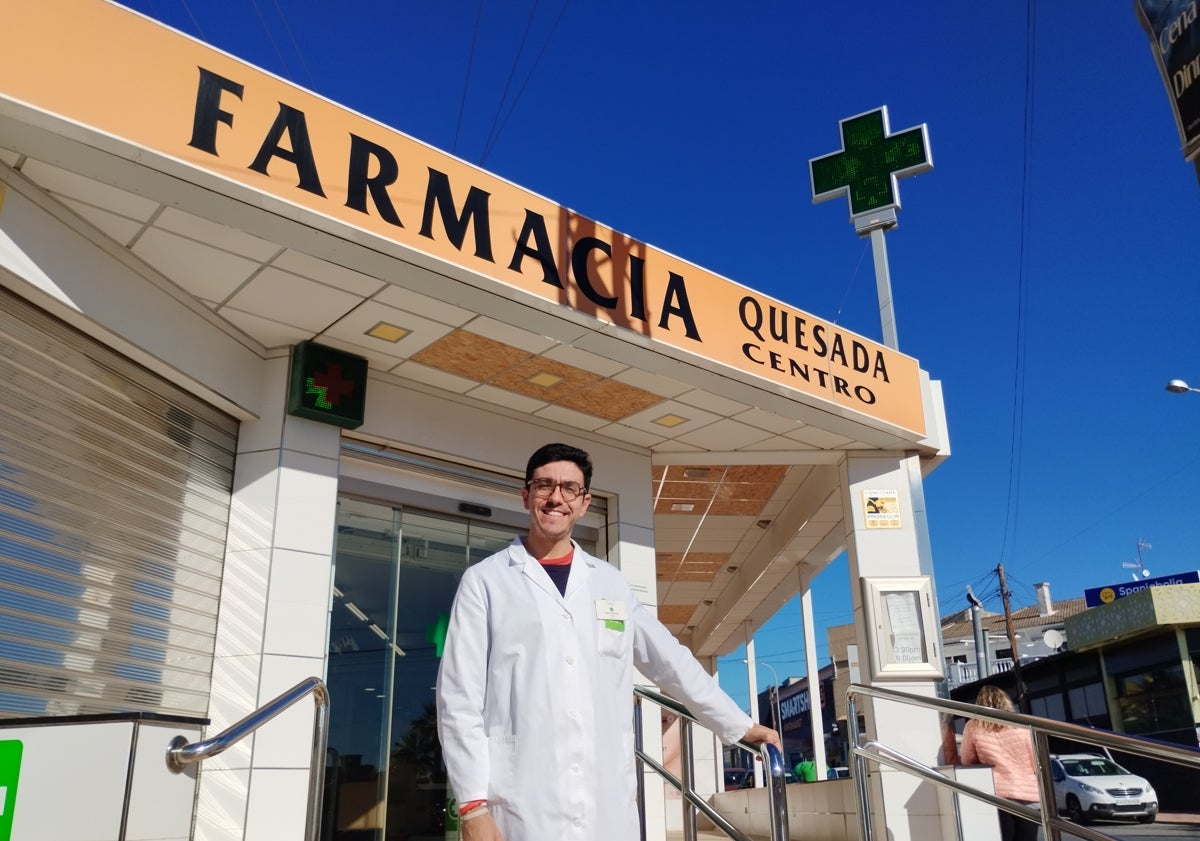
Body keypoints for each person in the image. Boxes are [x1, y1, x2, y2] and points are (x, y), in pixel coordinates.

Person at [436, 443, 780, 841]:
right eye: (545, 485)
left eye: (570, 489)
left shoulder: (609, 583)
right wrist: (473, 806)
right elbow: (458, 699)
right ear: (526, 495)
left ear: (583, 503)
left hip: (606, 803)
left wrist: (738, 726)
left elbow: (671, 661)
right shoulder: (486, 582)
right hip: (521, 804)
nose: (556, 498)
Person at [959, 685, 1040, 841]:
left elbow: (967, 760)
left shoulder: (973, 726)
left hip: (998, 796)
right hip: (1029, 795)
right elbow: (1036, 761)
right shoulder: (1022, 725)